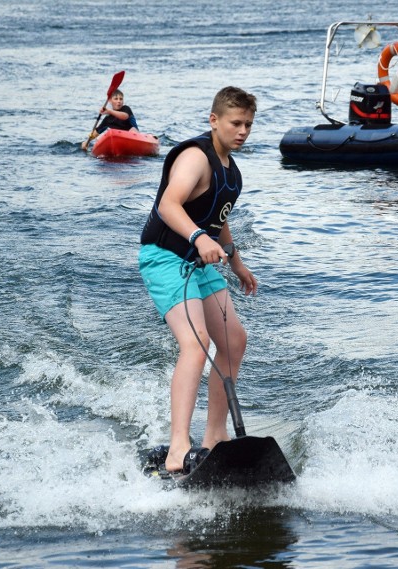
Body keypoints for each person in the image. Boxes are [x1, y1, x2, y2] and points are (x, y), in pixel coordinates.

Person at [138, 86, 258, 474]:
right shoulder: (194, 157)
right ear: (214, 121)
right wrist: (197, 237)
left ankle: (214, 437)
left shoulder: (232, 172)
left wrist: (236, 262)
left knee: (234, 341)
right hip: (164, 257)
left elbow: (217, 220)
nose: (242, 131)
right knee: (196, 344)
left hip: (198, 262)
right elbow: (168, 205)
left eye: (248, 125)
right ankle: (177, 448)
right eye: (235, 123)